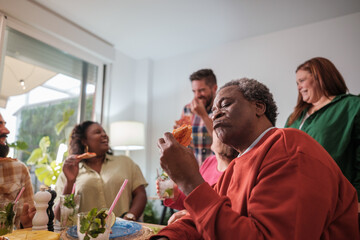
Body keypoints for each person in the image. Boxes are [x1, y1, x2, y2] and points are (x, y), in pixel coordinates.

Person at [152, 78, 359, 239]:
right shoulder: (235, 167)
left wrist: (190, 181)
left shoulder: (289, 149)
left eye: (225, 104)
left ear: (259, 107)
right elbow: (200, 219)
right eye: (213, 110)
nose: (215, 115)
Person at [284, 57, 360, 209]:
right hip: (294, 199)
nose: (299, 87)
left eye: (302, 80)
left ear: (320, 77)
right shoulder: (294, 117)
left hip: (336, 201)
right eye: (297, 83)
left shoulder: (351, 106)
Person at [55, 121, 147, 221]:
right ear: (84, 141)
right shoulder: (70, 171)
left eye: (104, 132)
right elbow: (60, 217)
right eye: (97, 132)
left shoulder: (125, 162)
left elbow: (140, 194)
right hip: (87, 234)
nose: (104, 135)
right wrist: (70, 182)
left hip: (125, 230)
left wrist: (130, 216)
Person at [157, 130, 238, 224]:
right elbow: (194, 200)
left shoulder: (236, 172)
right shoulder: (209, 162)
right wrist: (176, 195)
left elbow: (227, 217)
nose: (214, 132)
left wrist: (192, 215)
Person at [0, 113, 36, 229]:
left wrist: (24, 224)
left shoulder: (18, 169)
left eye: (4, 124)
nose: (7, 131)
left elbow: (25, 224)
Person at [175, 69, 218, 166]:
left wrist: (203, 115)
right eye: (194, 91)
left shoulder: (221, 109)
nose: (197, 95)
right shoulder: (187, 109)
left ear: (214, 88)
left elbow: (221, 140)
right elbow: (183, 143)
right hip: (194, 170)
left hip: (215, 170)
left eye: (201, 90)